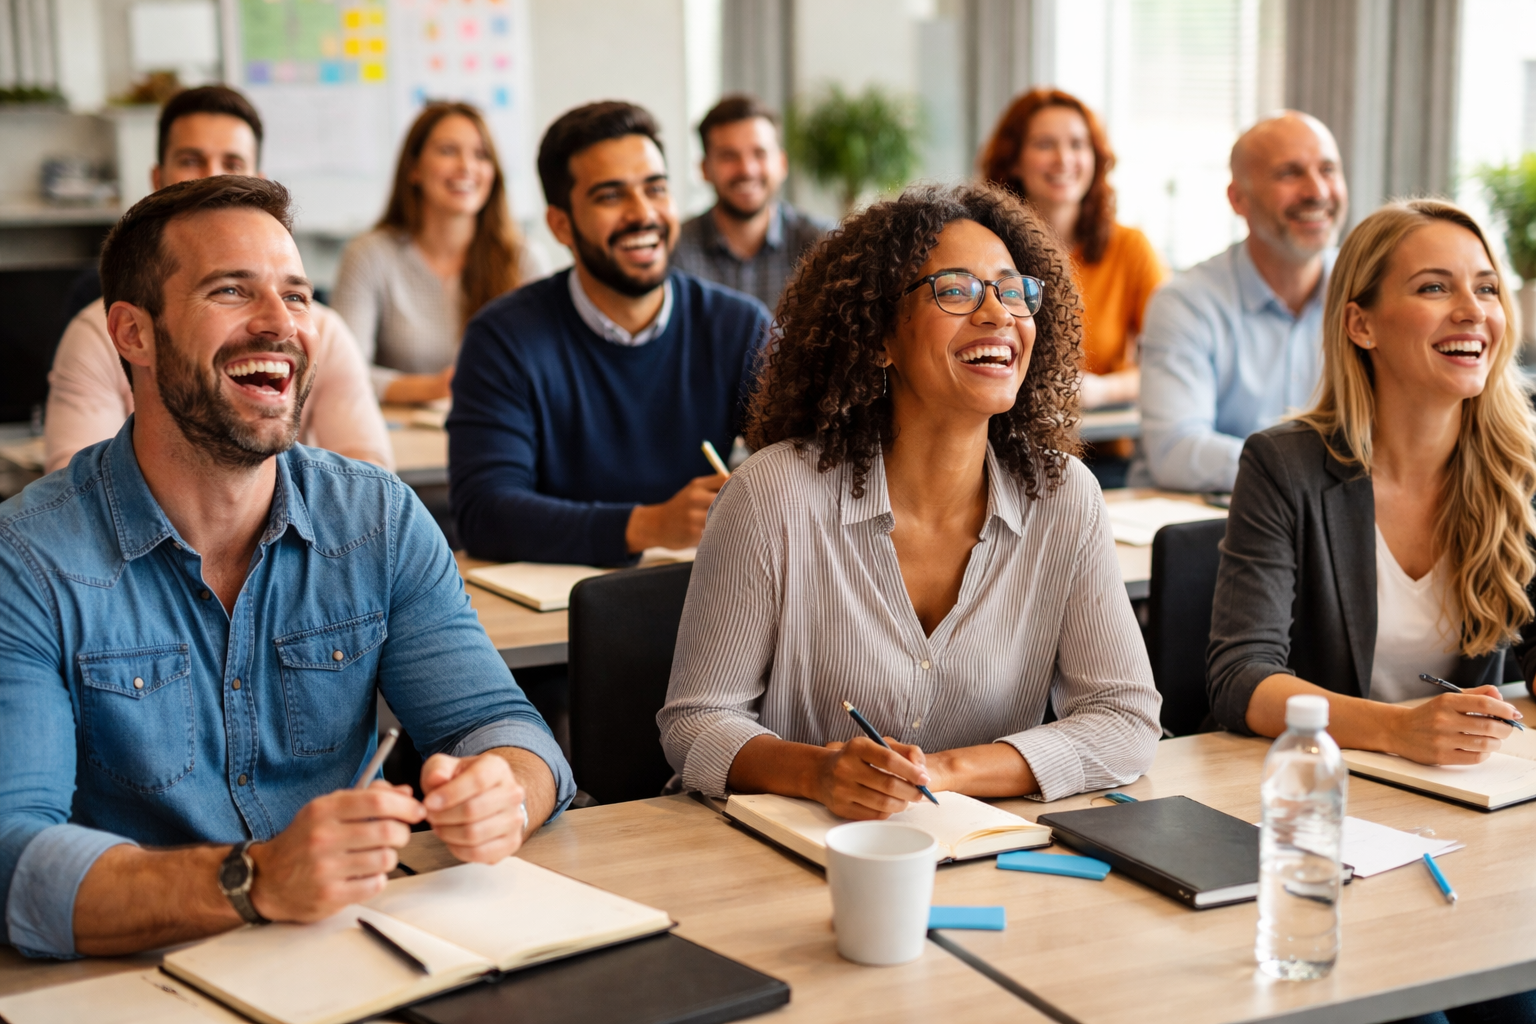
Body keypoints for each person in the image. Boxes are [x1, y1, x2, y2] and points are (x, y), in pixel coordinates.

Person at [0, 176, 574, 961]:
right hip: (133, 976)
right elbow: (13, 858)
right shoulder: (28, 559)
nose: (280, 324)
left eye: (299, 296)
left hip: (352, 953)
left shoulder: (376, 518)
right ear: (131, 333)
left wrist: (504, 791)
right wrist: (252, 879)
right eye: (231, 291)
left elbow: (507, 730)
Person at [658, 183, 1161, 815]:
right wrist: (817, 773)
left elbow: (1124, 719)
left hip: (986, 856)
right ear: (878, 338)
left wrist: (946, 773)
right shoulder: (771, 496)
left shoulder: (1065, 497)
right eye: (956, 290)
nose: (998, 314)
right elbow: (696, 723)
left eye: (1012, 290)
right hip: (792, 857)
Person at [1207, 199, 1536, 1024]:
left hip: (1476, 820)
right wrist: (1396, 726)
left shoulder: (1521, 466)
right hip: (1334, 823)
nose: (1473, 312)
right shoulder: (1285, 464)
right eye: (1435, 288)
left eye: (1488, 289)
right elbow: (1239, 675)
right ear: (1361, 323)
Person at [448, 101, 770, 566]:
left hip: (707, 591)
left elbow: (809, 468)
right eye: (610, 196)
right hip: (563, 609)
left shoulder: (738, 327)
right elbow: (484, 513)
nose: (643, 215)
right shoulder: (503, 339)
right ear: (561, 224)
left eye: (656, 189)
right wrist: (649, 524)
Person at [44, 85, 389, 474]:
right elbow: (76, 486)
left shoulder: (321, 330)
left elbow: (367, 474)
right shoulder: (97, 333)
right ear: (158, 178)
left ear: (256, 181)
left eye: (232, 161)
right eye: (191, 160)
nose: (213, 176)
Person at [1137, 111, 1348, 492]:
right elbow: (1175, 451)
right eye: (1290, 173)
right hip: (1215, 525)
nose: (1317, 191)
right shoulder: (1186, 302)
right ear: (1238, 199)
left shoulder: (1368, 295)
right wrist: (1311, 472)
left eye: (1328, 170)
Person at [332, 101, 545, 404]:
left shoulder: (523, 258)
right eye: (448, 151)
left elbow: (544, 369)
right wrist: (434, 388)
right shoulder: (369, 255)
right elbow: (340, 370)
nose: (467, 167)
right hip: (399, 438)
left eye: (481, 155)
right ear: (414, 168)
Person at [981, 88, 1166, 413]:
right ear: (1014, 161)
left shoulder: (1130, 248)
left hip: (1104, 449)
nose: (1064, 159)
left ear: (1095, 159)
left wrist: (1101, 390)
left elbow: (1172, 366)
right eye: (1045, 144)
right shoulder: (982, 249)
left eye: (1077, 144)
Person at [671, 94, 831, 311]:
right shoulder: (675, 251)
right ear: (704, 169)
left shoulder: (822, 246)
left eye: (759, 153)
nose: (747, 169)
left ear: (782, 164)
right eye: (728, 156)